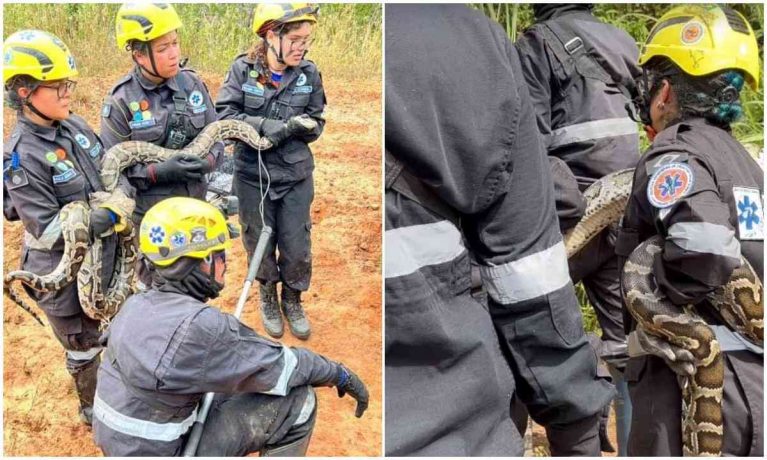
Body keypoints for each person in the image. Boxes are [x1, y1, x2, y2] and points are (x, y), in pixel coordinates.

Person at [385, 5, 614, 456]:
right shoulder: (464, 39)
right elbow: (531, 281)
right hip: (461, 432)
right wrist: (577, 428)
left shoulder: (534, 43)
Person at [91, 196, 368, 456]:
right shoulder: (200, 327)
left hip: (122, 440)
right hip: (162, 450)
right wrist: (339, 375)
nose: (226, 263)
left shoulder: (134, 304)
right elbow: (285, 365)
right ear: (202, 262)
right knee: (298, 401)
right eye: (220, 254)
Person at [616, 5, 763, 456]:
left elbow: (708, 249)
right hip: (754, 390)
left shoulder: (675, 153)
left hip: (695, 384)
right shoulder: (743, 162)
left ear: (662, 92)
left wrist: (661, 308)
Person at [515, 4, 642, 453]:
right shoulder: (621, 42)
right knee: (628, 345)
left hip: (568, 217)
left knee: (529, 326)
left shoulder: (537, 43)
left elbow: (526, 141)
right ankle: (628, 444)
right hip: (626, 213)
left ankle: (566, 436)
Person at [2, 30, 131, 424]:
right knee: (84, 345)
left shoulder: (74, 124)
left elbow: (112, 170)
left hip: (104, 261)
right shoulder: (21, 156)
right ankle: (93, 409)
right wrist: (109, 214)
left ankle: (119, 390)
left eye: (67, 84)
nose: (67, 93)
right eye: (57, 86)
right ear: (24, 92)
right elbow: (46, 227)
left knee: (115, 328)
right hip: (63, 277)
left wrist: (119, 196)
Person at [216, 3, 325, 340]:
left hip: (295, 176)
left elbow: (317, 121)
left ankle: (292, 300)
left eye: (306, 39)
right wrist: (274, 127)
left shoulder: (309, 73)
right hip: (252, 175)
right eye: (294, 39)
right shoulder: (242, 70)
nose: (301, 46)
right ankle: (267, 296)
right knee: (258, 239)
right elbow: (225, 118)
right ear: (270, 35)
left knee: (296, 244)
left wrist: (301, 127)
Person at [100, 2, 223, 290]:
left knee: (198, 284)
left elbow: (216, 135)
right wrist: (157, 172)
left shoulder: (192, 84)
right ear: (139, 54)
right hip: (152, 218)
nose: (174, 53)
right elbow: (111, 174)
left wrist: (209, 162)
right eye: (163, 48)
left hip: (195, 209)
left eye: (175, 43)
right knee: (158, 290)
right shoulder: (120, 101)